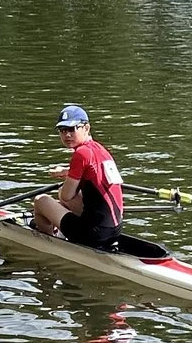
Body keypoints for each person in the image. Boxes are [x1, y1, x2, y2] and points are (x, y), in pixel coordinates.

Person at [31, 102, 124, 249]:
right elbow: (93, 172)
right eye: (62, 130)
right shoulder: (99, 149)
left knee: (40, 201)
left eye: (72, 129)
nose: (67, 135)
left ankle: (50, 244)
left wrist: (64, 190)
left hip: (93, 234)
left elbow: (66, 196)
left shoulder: (81, 153)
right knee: (64, 196)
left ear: (86, 128)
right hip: (114, 230)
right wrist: (68, 172)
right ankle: (61, 226)